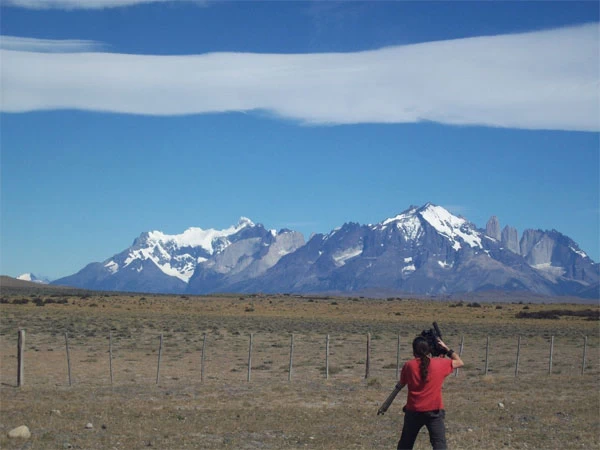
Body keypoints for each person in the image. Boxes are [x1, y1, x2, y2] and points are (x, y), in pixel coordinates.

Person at [396, 336, 464, 450]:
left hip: (413, 411)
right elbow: (460, 362)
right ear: (429, 350)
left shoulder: (408, 365)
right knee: (439, 444)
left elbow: (402, 382)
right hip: (434, 411)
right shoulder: (440, 363)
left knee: (405, 444)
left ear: (414, 351)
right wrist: (446, 348)